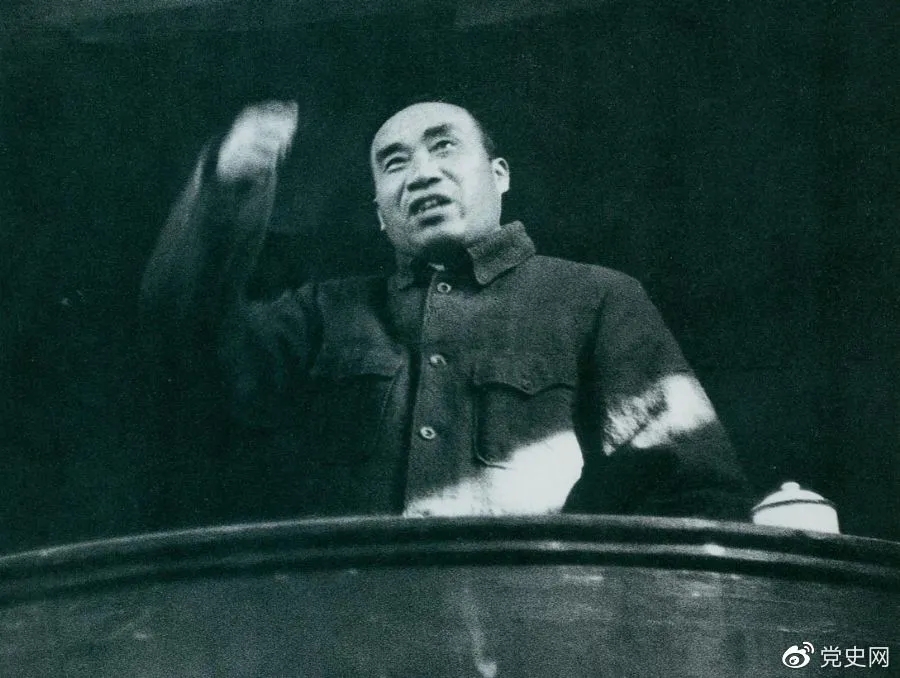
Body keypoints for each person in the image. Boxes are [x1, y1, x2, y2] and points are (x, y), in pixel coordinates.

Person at [140, 99, 750, 522]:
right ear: (381, 214)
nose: (422, 175)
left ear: (499, 175)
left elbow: (692, 491)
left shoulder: (597, 298)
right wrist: (227, 190)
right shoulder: (322, 313)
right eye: (395, 163)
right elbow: (185, 331)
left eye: (444, 147)